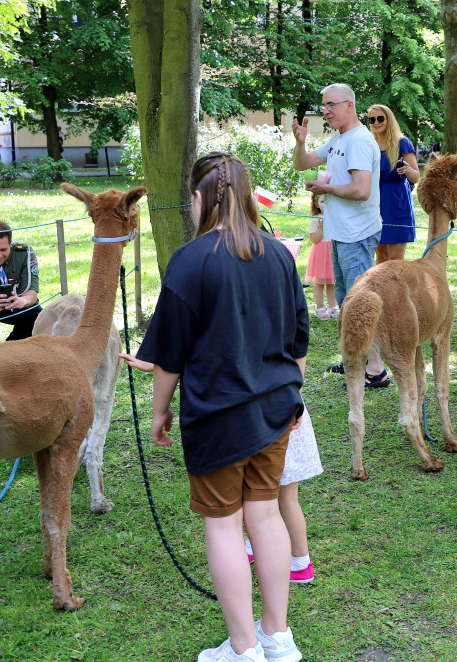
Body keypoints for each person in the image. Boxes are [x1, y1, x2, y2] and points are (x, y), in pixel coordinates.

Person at [126, 151, 308, 662]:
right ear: (249, 197)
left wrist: (160, 411)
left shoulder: (190, 260)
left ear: (200, 199)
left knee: (226, 525)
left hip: (219, 418)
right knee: (266, 518)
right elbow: (299, 345)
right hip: (276, 412)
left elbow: (169, 356)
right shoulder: (279, 255)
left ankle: (246, 648)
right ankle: (277, 637)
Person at [292, 82, 388, 388]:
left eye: (331, 105)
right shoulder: (338, 139)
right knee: (348, 301)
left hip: (358, 235)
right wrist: (300, 143)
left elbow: (361, 190)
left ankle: (375, 370)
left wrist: (325, 188)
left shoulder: (359, 140)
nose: (326, 110)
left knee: (360, 304)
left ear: (350, 105)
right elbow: (302, 164)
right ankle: (355, 360)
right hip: (342, 234)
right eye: (323, 106)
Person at [243, 405, 323, 585]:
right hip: (286, 410)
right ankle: (255, 545)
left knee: (280, 498)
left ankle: (300, 563)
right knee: (270, 496)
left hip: (273, 419)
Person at [367, 104, 419, 264]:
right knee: (380, 258)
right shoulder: (369, 143)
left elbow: (416, 176)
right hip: (375, 203)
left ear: (389, 120)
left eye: (380, 118)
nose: (376, 122)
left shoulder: (402, 142)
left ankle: (397, 290)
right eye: (372, 119)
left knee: (395, 261)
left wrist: (407, 169)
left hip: (396, 203)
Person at [306, 189, 337, 320]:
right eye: (323, 201)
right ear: (317, 204)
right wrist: (321, 229)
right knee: (319, 282)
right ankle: (319, 307)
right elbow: (314, 239)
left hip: (332, 251)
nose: (326, 204)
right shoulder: (317, 219)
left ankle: (332, 306)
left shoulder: (335, 217)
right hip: (320, 253)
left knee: (331, 281)